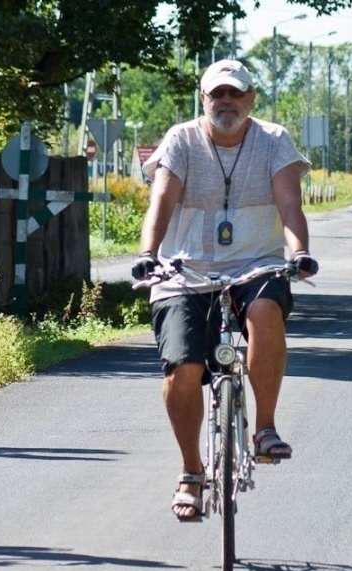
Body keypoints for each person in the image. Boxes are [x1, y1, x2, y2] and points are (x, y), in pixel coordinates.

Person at [131, 59, 318, 522]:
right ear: (204, 99)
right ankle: (191, 472)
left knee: (265, 314)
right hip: (184, 268)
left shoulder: (274, 141)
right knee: (183, 367)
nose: (226, 102)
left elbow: (290, 205)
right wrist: (148, 253)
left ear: (251, 100)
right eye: (217, 94)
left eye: (235, 94)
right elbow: (162, 199)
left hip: (255, 264)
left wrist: (299, 254)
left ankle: (265, 429)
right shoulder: (182, 140)